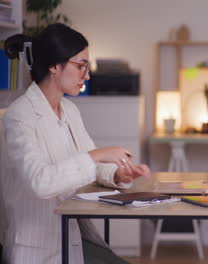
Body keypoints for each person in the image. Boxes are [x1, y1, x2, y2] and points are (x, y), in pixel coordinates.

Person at [0, 23, 150, 264]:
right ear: (53, 66)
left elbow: (91, 162)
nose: (87, 75)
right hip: (35, 249)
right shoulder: (20, 116)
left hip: (70, 237)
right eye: (81, 66)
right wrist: (97, 156)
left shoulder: (69, 110)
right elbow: (41, 182)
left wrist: (118, 174)